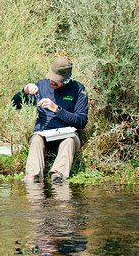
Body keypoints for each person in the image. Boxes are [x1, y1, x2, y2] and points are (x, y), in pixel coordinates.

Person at [13, 56, 88, 184]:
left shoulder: (78, 89)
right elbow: (15, 104)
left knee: (69, 141)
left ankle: (58, 177)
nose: (52, 82)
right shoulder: (41, 86)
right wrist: (24, 91)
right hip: (43, 134)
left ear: (66, 79)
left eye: (56, 80)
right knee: (36, 139)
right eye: (51, 77)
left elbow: (81, 121)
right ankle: (33, 178)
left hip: (67, 135)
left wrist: (57, 109)